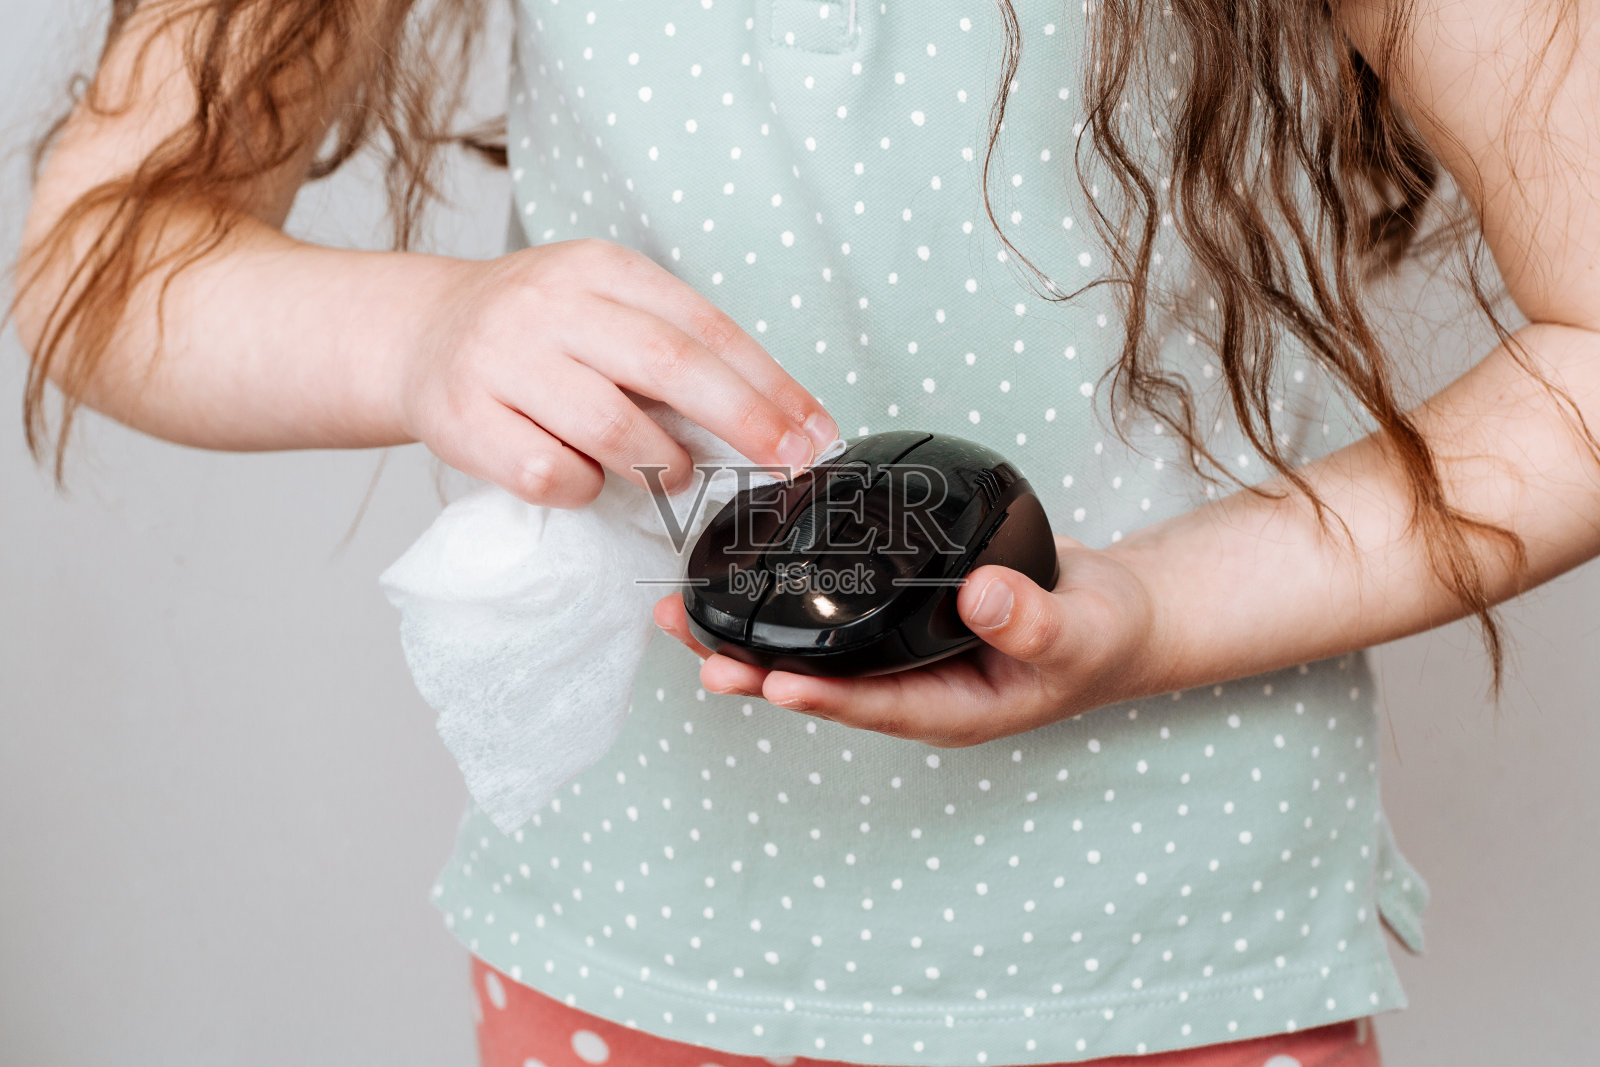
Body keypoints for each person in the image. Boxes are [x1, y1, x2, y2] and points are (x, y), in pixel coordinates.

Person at [12, 0, 1600, 1065]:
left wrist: (1159, 610)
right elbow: (99, 251)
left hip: (1178, 960)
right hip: (638, 946)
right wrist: (426, 334)